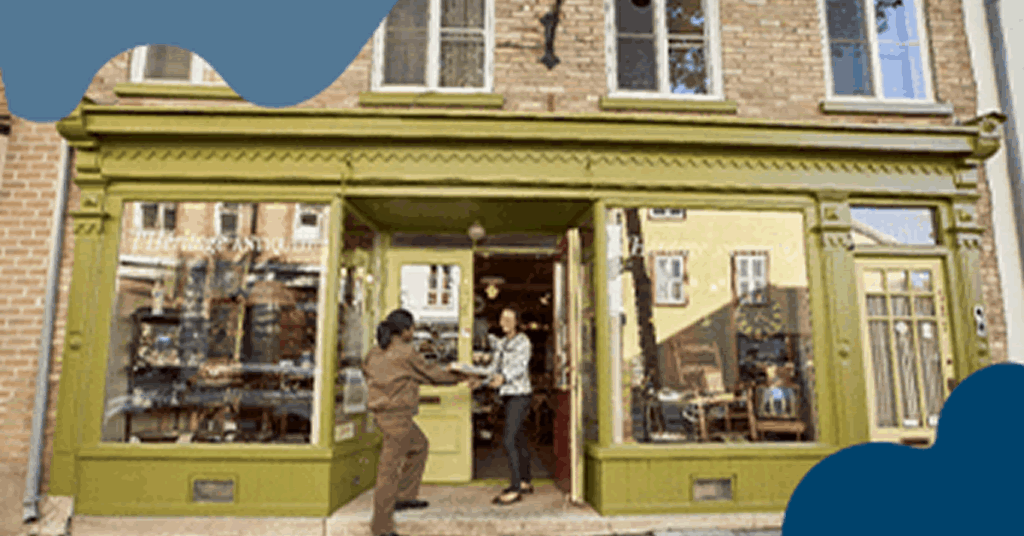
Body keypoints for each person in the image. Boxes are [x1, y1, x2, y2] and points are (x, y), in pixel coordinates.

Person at [362, 308, 465, 536]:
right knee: (388, 471)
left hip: (384, 415)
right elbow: (434, 375)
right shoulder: (406, 353)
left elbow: (377, 374)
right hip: (397, 416)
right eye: (412, 328)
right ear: (404, 331)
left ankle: (405, 497)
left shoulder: (374, 353)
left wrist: (404, 382)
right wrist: (462, 377)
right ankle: (381, 526)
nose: (415, 331)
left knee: (419, 446)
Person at [479, 305, 535, 505]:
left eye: (509, 320)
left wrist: (503, 379)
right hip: (508, 396)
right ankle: (525, 480)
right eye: (503, 319)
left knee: (509, 439)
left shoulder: (523, 342)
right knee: (518, 438)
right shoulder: (501, 343)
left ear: (517, 323)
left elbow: (519, 367)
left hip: (520, 395)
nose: (505, 323)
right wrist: (480, 381)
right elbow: (494, 368)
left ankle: (515, 488)